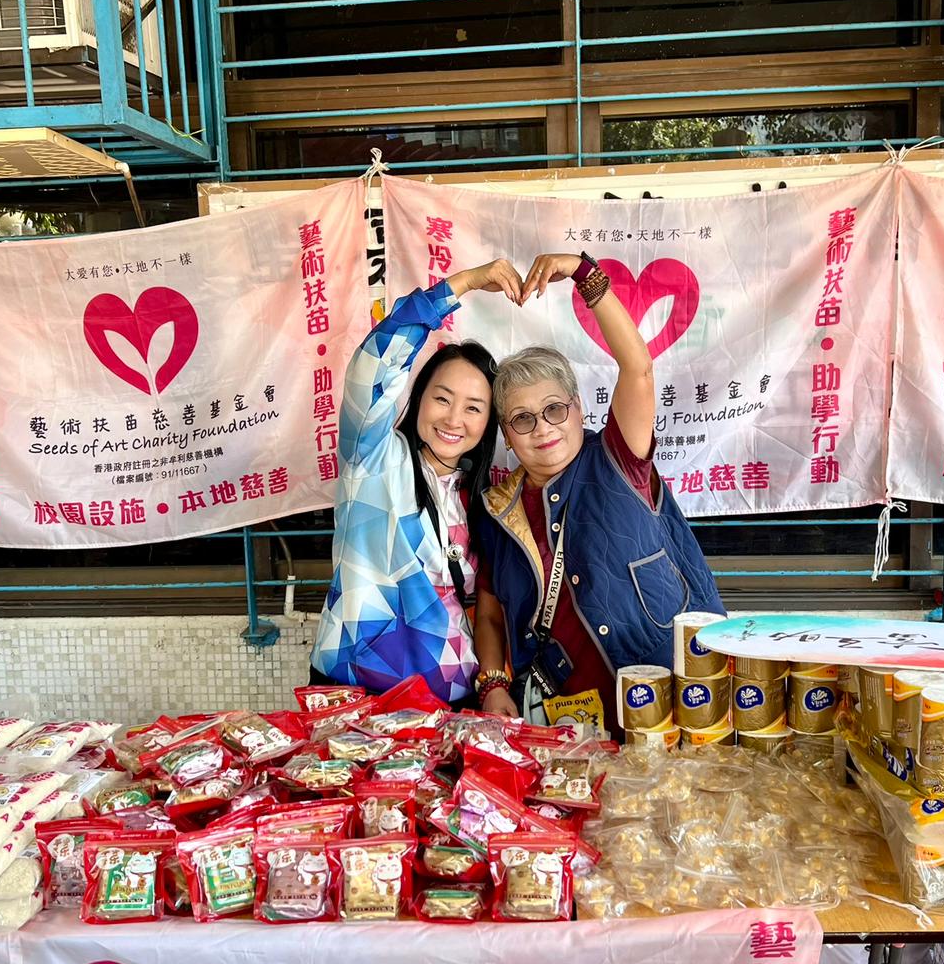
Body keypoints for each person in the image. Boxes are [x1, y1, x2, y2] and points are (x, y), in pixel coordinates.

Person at [471, 252, 725, 731]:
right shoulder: (497, 508)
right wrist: (493, 684)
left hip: (670, 705)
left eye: (554, 409)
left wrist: (584, 275)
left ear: (578, 407)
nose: (543, 428)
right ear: (506, 433)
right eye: (523, 419)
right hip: (559, 726)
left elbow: (638, 369)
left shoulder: (618, 458)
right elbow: (488, 615)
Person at [310, 260, 519, 703]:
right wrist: (464, 283)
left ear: (489, 422)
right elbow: (372, 369)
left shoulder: (484, 498)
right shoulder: (374, 459)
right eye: (442, 398)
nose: (454, 419)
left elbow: (488, 609)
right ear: (418, 397)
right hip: (357, 692)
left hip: (452, 700)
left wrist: (492, 683)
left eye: (473, 407)